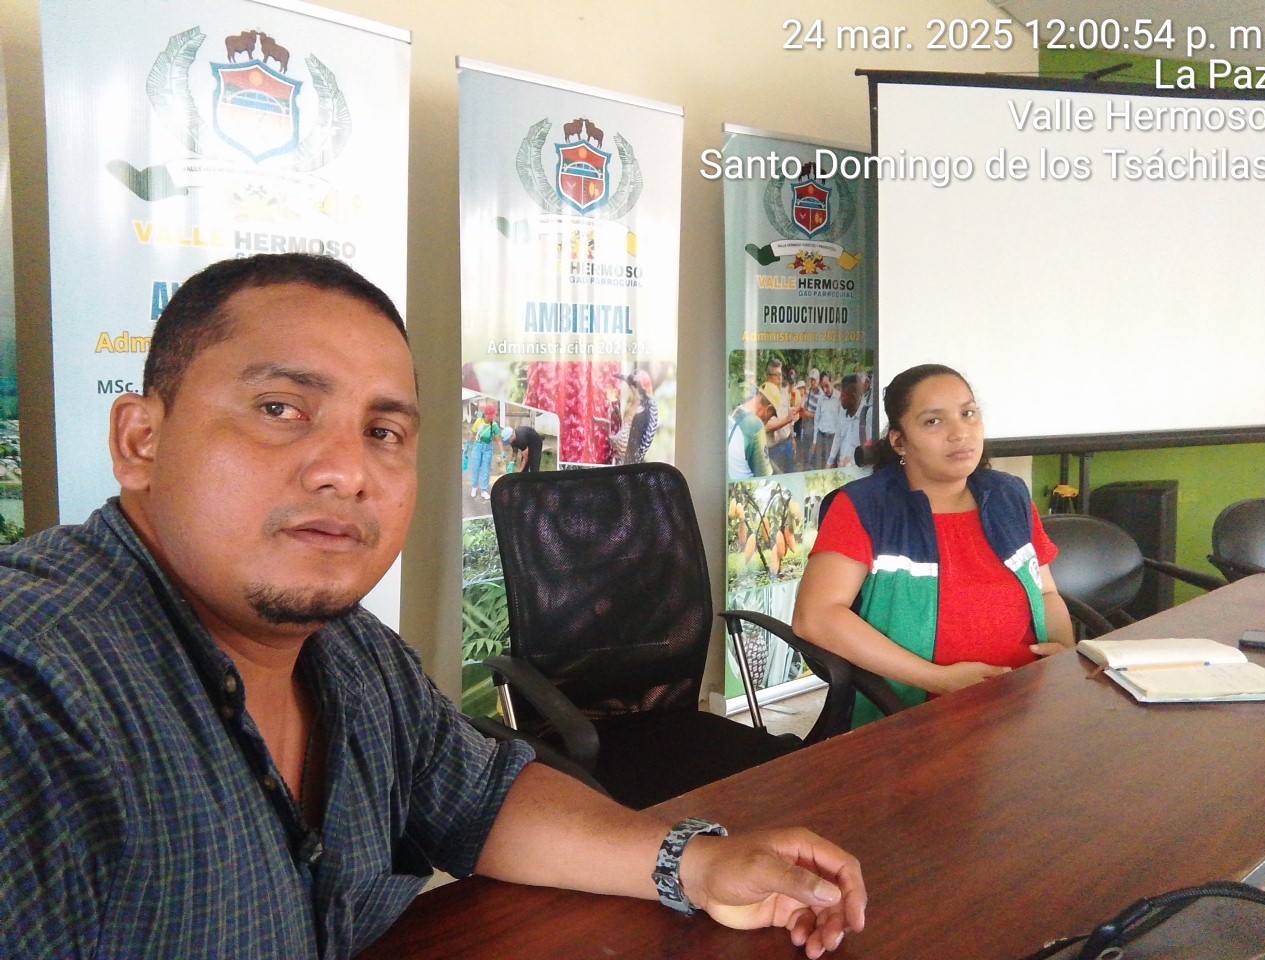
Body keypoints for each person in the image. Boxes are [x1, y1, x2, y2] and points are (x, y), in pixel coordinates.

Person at [0, 254, 865, 960]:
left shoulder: (353, 655)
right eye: (280, 409)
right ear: (141, 441)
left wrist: (698, 865)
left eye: (383, 432)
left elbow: (480, 796)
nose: (348, 470)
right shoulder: (36, 693)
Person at [794, 363, 1074, 728]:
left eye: (968, 414)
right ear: (899, 441)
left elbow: (1047, 592)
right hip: (917, 714)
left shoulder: (1009, 495)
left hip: (1028, 699)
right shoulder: (866, 507)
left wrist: (1065, 653)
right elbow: (815, 617)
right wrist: (938, 680)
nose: (960, 433)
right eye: (933, 421)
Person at [727, 382, 779, 480]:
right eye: (771, 416)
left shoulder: (734, 413)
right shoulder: (755, 425)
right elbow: (765, 476)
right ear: (768, 409)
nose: (769, 420)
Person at [762, 358, 800, 473]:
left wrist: (792, 438)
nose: (780, 378)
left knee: (792, 473)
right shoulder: (763, 395)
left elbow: (790, 417)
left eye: (781, 375)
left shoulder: (784, 393)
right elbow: (765, 427)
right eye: (776, 375)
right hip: (773, 449)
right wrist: (786, 420)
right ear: (769, 376)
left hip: (787, 442)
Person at [469, 403, 503, 499]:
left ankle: (483, 490)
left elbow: (498, 440)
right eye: (490, 415)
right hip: (477, 446)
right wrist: (467, 445)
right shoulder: (478, 422)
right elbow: (473, 434)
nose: (491, 418)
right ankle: (474, 487)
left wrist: (502, 452)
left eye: (492, 416)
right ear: (485, 414)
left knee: (486, 468)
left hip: (488, 448)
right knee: (475, 467)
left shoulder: (494, 425)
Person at [810, 372, 841, 470]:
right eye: (822, 387)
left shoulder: (839, 398)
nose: (825, 390)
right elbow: (817, 420)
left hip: (833, 439)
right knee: (818, 467)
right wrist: (815, 441)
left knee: (830, 468)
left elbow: (842, 423)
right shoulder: (821, 399)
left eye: (827, 386)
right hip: (820, 436)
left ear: (832, 382)